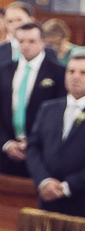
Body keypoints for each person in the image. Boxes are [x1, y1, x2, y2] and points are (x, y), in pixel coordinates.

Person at [0, 22, 66, 178]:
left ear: (43, 42)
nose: (25, 46)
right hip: (10, 150)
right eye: (21, 41)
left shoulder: (57, 72)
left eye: (31, 41)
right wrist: (6, 143)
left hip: (43, 153)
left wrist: (34, 144)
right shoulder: (5, 70)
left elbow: (59, 115)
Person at [25, 49, 85, 217]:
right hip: (48, 197)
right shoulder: (48, 108)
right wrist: (44, 181)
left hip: (80, 200)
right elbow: (33, 147)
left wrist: (67, 187)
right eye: (71, 71)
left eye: (83, 72)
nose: (75, 76)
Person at [0, 2, 54, 115]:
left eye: (19, 20)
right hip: (4, 120)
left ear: (31, 20)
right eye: (10, 21)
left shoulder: (48, 52)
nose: (15, 25)